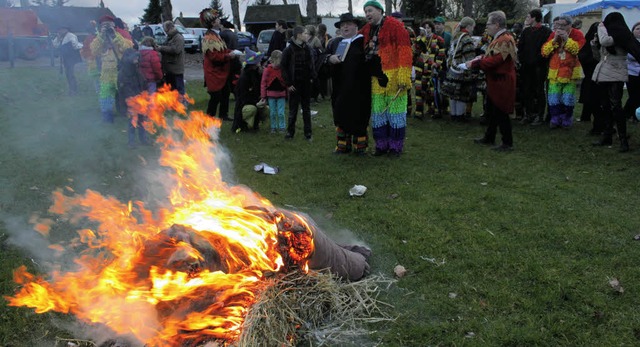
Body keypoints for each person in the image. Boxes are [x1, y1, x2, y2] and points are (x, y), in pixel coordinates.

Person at [360, 0, 412, 156]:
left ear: (379, 11)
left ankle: (395, 147)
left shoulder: (395, 27)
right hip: (376, 80)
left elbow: (405, 53)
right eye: (365, 12)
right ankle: (381, 146)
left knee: (395, 115)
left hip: (394, 78)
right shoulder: (366, 30)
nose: (367, 14)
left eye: (370, 10)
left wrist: (403, 77)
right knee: (378, 114)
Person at [322, 12, 371, 155]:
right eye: (343, 25)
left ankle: (360, 146)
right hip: (340, 88)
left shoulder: (363, 42)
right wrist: (329, 58)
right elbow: (322, 57)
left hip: (360, 88)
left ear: (356, 26)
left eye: (348, 24)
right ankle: (342, 145)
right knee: (340, 114)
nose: (345, 27)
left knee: (359, 115)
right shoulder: (335, 42)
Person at [468, 11, 517, 152]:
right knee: (493, 110)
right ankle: (489, 136)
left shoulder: (505, 39)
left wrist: (477, 63)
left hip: (502, 80)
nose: (486, 27)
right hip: (495, 80)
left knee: (501, 111)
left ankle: (507, 143)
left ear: (496, 24)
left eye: (488, 24)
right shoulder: (500, 38)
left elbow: (496, 61)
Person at [591, 12, 640, 152]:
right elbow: (598, 56)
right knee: (605, 106)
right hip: (603, 72)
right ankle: (608, 135)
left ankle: (623, 139)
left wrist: (600, 28)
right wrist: (594, 45)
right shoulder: (612, 35)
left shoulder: (621, 35)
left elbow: (606, 41)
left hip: (616, 73)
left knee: (616, 107)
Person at [541, 16, 583, 129]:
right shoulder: (553, 34)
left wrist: (567, 40)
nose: (559, 28)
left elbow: (577, 49)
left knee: (568, 98)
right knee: (554, 97)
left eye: (562, 25)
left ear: (569, 25)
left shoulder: (577, 34)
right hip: (555, 71)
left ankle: (566, 118)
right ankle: (555, 118)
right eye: (558, 25)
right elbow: (544, 52)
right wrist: (554, 40)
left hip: (570, 72)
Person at [90, 15, 134, 123]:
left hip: (121, 71)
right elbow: (94, 51)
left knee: (125, 93)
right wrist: (101, 36)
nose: (107, 26)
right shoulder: (100, 37)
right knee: (105, 94)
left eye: (109, 24)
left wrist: (115, 35)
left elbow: (128, 48)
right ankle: (107, 116)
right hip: (106, 72)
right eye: (104, 25)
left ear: (113, 24)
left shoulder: (121, 34)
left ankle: (129, 115)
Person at [200, 8, 238, 121]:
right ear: (212, 23)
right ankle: (209, 117)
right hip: (214, 73)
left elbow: (221, 50)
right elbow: (214, 57)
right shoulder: (209, 38)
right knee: (216, 96)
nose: (219, 20)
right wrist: (228, 56)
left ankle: (223, 115)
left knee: (225, 93)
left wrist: (231, 52)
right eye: (217, 19)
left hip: (222, 71)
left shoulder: (216, 35)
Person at [281, 26, 316, 141]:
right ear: (299, 35)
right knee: (293, 110)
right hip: (294, 84)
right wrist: (288, 83)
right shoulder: (289, 50)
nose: (308, 35)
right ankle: (290, 133)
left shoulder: (308, 48)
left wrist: (312, 77)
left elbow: (311, 64)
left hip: (306, 83)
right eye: (305, 33)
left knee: (306, 109)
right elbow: (284, 67)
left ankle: (308, 133)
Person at [518, 9, 552, 125]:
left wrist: (537, 60)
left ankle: (540, 115)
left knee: (539, 91)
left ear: (534, 18)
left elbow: (547, 49)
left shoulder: (546, 32)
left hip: (539, 66)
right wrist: (523, 59)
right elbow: (521, 47)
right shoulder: (526, 31)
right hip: (526, 66)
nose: (527, 19)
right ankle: (528, 114)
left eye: (528, 16)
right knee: (527, 90)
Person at [440, 17, 478, 122]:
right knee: (461, 94)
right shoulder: (467, 39)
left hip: (452, 69)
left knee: (453, 94)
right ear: (469, 26)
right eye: (473, 27)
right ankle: (459, 116)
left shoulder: (456, 36)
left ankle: (453, 114)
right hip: (462, 71)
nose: (473, 29)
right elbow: (470, 57)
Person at [413, 20, 445, 119]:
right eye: (424, 28)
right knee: (419, 90)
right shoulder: (419, 39)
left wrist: (437, 63)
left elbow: (441, 53)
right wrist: (418, 42)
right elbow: (414, 52)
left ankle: (435, 111)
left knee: (433, 91)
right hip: (420, 68)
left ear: (432, 28)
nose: (426, 30)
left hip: (432, 69)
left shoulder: (438, 39)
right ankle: (419, 112)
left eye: (428, 28)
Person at [117, 48, 149, 148]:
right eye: (135, 57)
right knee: (132, 121)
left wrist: (144, 93)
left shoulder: (136, 70)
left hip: (140, 99)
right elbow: (125, 89)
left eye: (137, 57)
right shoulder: (123, 73)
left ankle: (143, 139)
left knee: (142, 120)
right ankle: (131, 142)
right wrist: (134, 99)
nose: (137, 59)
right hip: (131, 101)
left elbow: (142, 82)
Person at [232, 48, 268, 133]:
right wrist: (256, 103)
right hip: (245, 104)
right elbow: (243, 97)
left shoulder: (257, 74)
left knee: (266, 109)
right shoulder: (245, 78)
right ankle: (244, 125)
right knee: (251, 109)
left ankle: (256, 124)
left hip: (255, 101)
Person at [577, 22, 604, 134]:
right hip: (590, 74)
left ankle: (598, 123)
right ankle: (586, 116)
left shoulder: (602, 42)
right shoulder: (588, 42)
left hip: (599, 75)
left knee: (595, 98)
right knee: (589, 97)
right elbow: (583, 56)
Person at [155, 21, 186, 98]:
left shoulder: (178, 37)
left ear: (170, 28)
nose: (165, 31)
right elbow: (167, 47)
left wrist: (162, 48)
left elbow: (176, 50)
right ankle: (173, 104)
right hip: (169, 69)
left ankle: (182, 103)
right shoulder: (169, 37)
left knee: (179, 88)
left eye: (165, 29)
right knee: (171, 88)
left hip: (176, 68)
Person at [260, 50, 287, 134]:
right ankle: (273, 127)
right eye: (277, 63)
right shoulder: (267, 70)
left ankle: (282, 127)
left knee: (281, 113)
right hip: (271, 95)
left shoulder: (283, 69)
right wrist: (263, 96)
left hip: (281, 94)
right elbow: (263, 83)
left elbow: (286, 82)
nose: (278, 65)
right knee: (272, 112)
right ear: (273, 61)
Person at [52, 25, 83, 96]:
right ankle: (71, 89)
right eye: (59, 29)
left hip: (71, 57)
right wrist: (58, 38)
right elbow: (55, 45)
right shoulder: (60, 36)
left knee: (70, 74)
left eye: (61, 29)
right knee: (68, 73)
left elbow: (75, 45)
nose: (59, 31)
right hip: (65, 58)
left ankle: (73, 90)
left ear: (65, 29)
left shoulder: (71, 35)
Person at [219, 19, 241, 121]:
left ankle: (224, 109)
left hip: (228, 60)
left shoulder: (222, 34)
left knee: (227, 84)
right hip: (236, 59)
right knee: (235, 80)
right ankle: (238, 96)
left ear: (222, 25)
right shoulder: (233, 34)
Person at [623, 22, 640, 123]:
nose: (639, 31)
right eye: (637, 29)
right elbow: (630, 57)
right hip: (632, 72)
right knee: (634, 95)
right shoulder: (629, 43)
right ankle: (627, 114)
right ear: (633, 31)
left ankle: (634, 115)